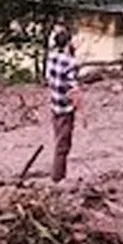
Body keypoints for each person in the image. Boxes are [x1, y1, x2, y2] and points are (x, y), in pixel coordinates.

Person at [46, 27, 80, 182]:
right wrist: (79, 106)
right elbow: (73, 88)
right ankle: (57, 178)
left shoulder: (51, 56)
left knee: (58, 140)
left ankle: (58, 175)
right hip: (66, 109)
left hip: (54, 106)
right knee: (63, 146)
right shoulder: (71, 62)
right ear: (68, 43)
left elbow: (49, 78)